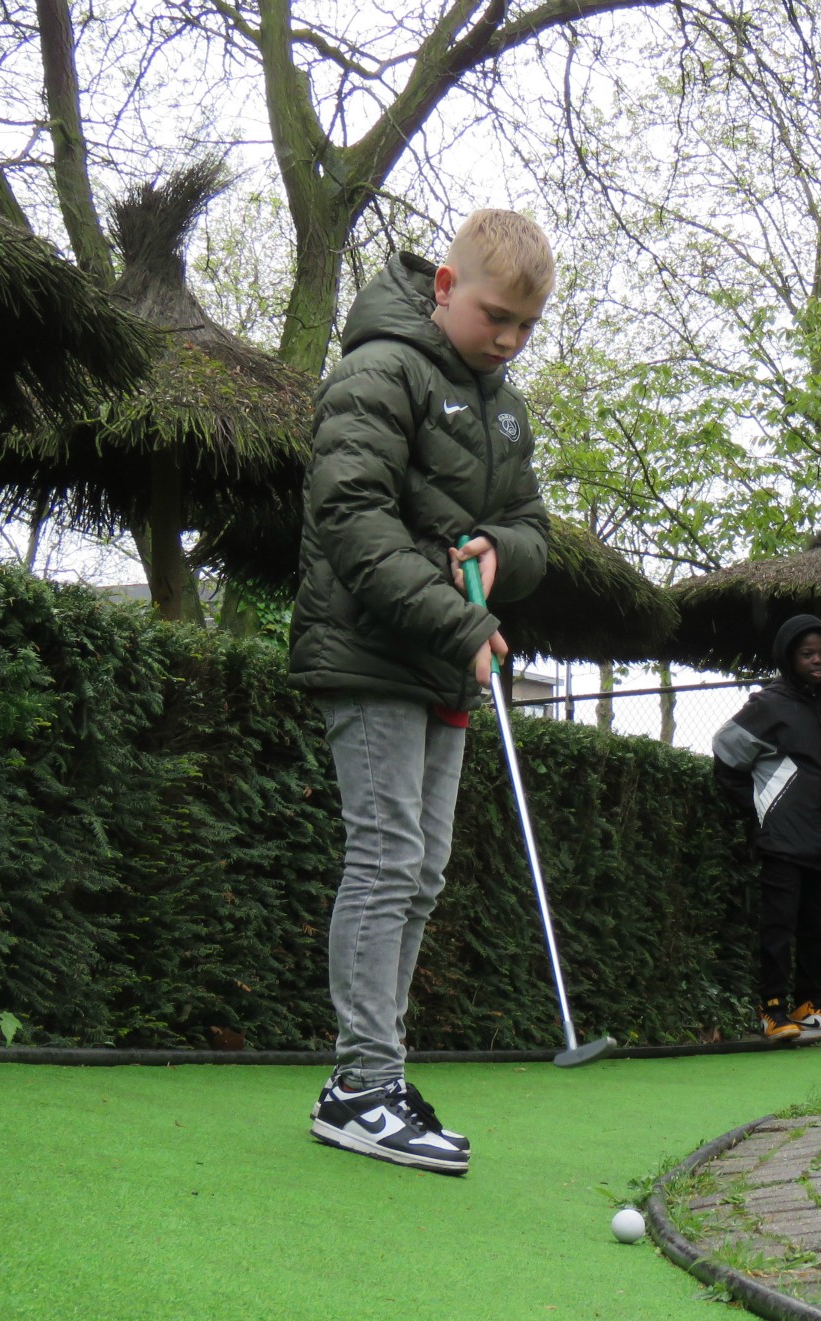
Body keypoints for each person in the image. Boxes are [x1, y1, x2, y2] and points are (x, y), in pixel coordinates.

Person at [288, 210, 555, 1175]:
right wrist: (465, 623)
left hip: (440, 662)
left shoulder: (503, 404)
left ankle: (375, 1078)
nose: (510, 340)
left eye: (528, 326)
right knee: (388, 856)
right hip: (370, 652)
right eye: (496, 317)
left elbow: (531, 525)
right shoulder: (377, 372)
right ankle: (362, 1085)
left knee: (424, 868)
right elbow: (352, 520)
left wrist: (503, 554)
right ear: (446, 287)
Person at [712, 614, 821, 1042]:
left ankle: (809, 1005)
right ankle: (772, 1008)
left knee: (820, 924)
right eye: (807, 654)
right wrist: (755, 808)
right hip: (781, 841)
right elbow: (725, 749)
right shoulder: (768, 706)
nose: (817, 661)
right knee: (778, 926)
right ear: (788, 657)